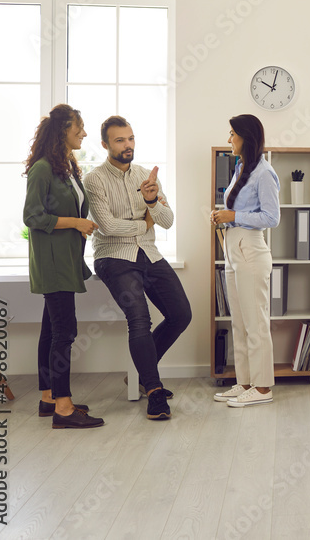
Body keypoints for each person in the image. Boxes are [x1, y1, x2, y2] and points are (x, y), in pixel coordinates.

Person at [84, 116, 192, 421]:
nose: (127, 145)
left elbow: (168, 221)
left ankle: (141, 374)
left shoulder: (146, 177)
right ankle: (154, 391)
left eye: (130, 138)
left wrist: (152, 200)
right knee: (139, 317)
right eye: (120, 140)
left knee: (181, 314)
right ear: (105, 145)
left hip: (149, 254)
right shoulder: (95, 179)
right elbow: (106, 228)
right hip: (113, 257)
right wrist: (144, 223)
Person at [22, 104, 103, 429]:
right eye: (78, 128)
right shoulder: (42, 169)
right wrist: (76, 223)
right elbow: (32, 216)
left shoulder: (65, 167)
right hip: (53, 262)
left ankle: (49, 398)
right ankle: (64, 409)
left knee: (50, 330)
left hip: (65, 259)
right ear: (62, 132)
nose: (83, 133)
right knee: (65, 332)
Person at [210, 114, 280, 407]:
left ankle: (263, 388)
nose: (229, 140)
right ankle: (245, 382)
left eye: (232, 134)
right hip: (233, 247)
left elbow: (272, 217)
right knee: (239, 321)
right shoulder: (241, 168)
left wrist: (233, 216)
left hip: (251, 249)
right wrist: (223, 217)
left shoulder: (264, 173)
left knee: (256, 322)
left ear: (245, 138)